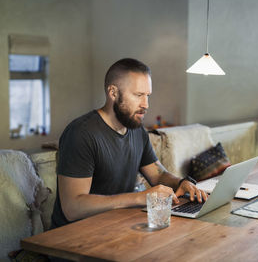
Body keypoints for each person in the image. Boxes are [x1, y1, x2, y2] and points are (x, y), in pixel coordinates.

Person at [51, 58, 208, 229]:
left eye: (147, 96)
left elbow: (157, 174)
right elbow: (72, 208)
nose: (145, 105)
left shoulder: (137, 130)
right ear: (113, 93)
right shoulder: (81, 133)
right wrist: (139, 198)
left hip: (117, 226)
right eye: (138, 95)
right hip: (75, 236)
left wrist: (181, 183)